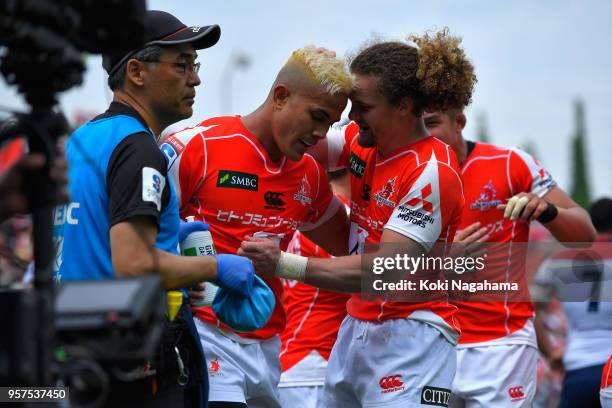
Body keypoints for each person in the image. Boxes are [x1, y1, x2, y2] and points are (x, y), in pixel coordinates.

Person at [242, 29, 468, 407]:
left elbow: (387, 269)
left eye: (363, 107)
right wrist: (301, 84)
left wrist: (283, 263)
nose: (350, 116)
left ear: (405, 106)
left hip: (413, 336)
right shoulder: (360, 142)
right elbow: (292, 138)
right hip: (355, 328)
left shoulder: (432, 170)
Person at [53, 10, 255, 406]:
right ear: (136, 71)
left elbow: (91, 237)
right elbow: (134, 265)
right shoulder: (139, 148)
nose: (195, 78)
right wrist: (217, 267)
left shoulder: (82, 139)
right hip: (126, 362)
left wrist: (176, 257)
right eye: (181, 65)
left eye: (195, 65)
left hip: (71, 350)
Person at [162, 46, 352, 407]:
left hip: (268, 347)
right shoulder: (197, 146)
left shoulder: (309, 174)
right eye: (317, 116)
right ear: (281, 96)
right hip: (204, 335)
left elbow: (354, 249)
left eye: (330, 123)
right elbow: (138, 237)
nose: (321, 133)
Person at [422, 38, 597, 406]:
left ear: (460, 121)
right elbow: (382, 269)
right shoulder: (408, 175)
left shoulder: (511, 164)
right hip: (430, 344)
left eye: (433, 123)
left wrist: (547, 211)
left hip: (501, 348)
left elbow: (583, 233)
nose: (425, 136)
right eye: (418, 126)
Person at [277, 167, 351, 408]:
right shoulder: (340, 222)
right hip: (313, 366)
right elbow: (382, 277)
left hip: (293, 363)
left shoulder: (306, 216)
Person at [532, 197, 612, 408]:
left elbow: (530, 307)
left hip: (578, 366)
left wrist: (549, 351)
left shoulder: (558, 261)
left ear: (591, 223)